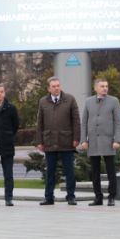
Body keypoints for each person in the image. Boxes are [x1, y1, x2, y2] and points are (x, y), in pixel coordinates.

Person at [37, 76, 81, 205]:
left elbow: (76, 121)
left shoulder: (70, 99)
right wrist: (39, 141)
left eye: (58, 85)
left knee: (69, 171)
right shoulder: (43, 102)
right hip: (49, 141)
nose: (56, 88)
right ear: (49, 88)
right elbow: (40, 122)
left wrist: (76, 138)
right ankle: (49, 197)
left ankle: (71, 196)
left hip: (66, 141)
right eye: (54, 86)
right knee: (50, 171)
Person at [80, 78, 120, 206]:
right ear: (95, 88)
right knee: (95, 172)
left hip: (109, 141)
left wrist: (117, 140)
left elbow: (118, 122)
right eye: (102, 86)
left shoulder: (114, 101)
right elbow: (84, 123)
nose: (105, 88)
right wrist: (83, 140)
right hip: (93, 141)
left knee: (111, 171)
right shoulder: (88, 102)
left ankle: (111, 196)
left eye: (106, 86)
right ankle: (98, 197)